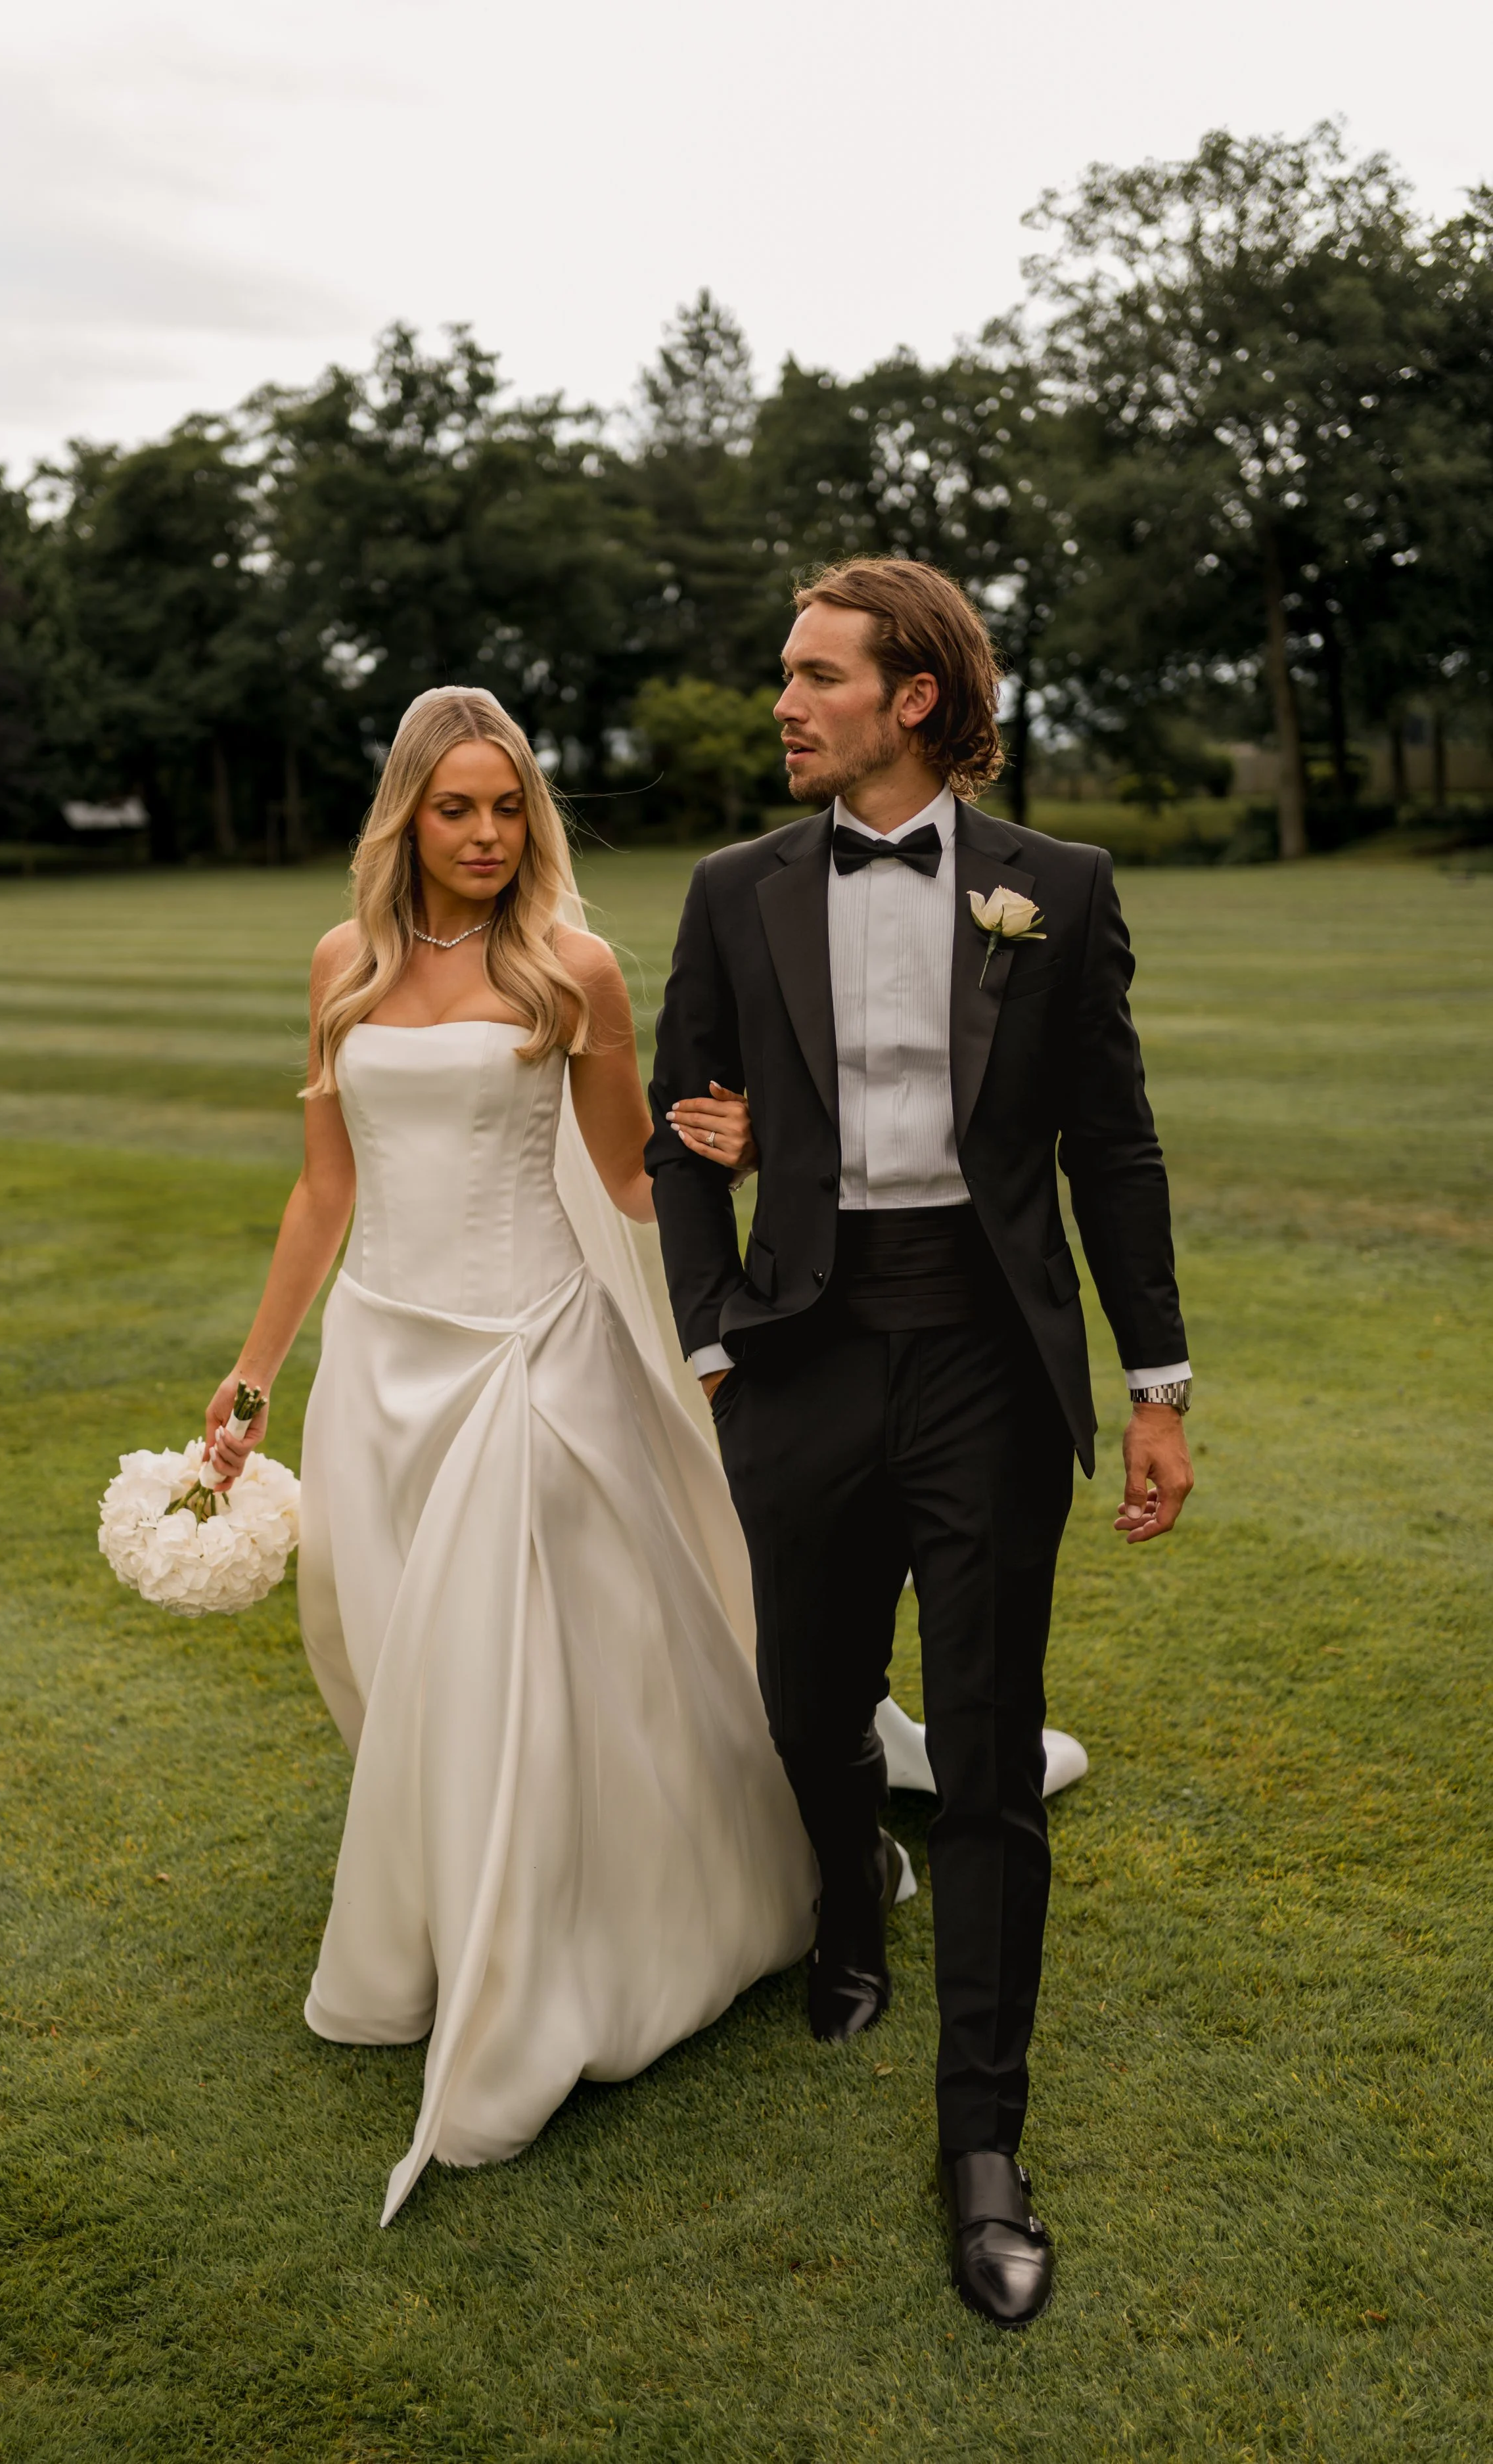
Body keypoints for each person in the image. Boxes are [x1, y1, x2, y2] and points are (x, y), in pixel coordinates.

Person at [647, 556, 1195, 2329]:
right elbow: (678, 1126)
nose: (784, 701)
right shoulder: (734, 893)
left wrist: (1155, 1381)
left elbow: (1110, 1144)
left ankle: (982, 2144)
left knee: (976, 1742)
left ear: (915, 699)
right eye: (784, 674)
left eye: (816, 675)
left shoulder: (1058, 887)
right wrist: (713, 1333)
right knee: (806, 1703)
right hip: (800, 1349)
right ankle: (843, 1914)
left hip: (983, 1347)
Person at [202, 685, 823, 2221]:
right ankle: (456, 1920)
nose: (484, 836)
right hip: (383, 1357)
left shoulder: (573, 969)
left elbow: (626, 1172)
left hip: (533, 1352)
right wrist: (253, 1371)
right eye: (453, 808)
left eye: (506, 808)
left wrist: (728, 1164)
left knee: (507, 1654)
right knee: (401, 1649)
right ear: (405, 814)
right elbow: (322, 1190)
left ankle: (528, 1988)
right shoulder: (341, 965)